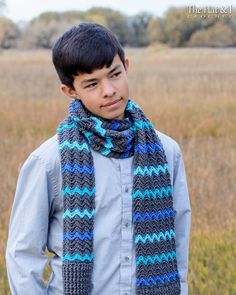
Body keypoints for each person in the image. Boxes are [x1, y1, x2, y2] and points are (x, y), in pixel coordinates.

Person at [6, 23, 191, 295]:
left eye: (114, 74)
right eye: (91, 83)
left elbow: (178, 239)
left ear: (126, 66)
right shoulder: (49, 161)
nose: (108, 90)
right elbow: (22, 254)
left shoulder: (166, 151)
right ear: (70, 91)